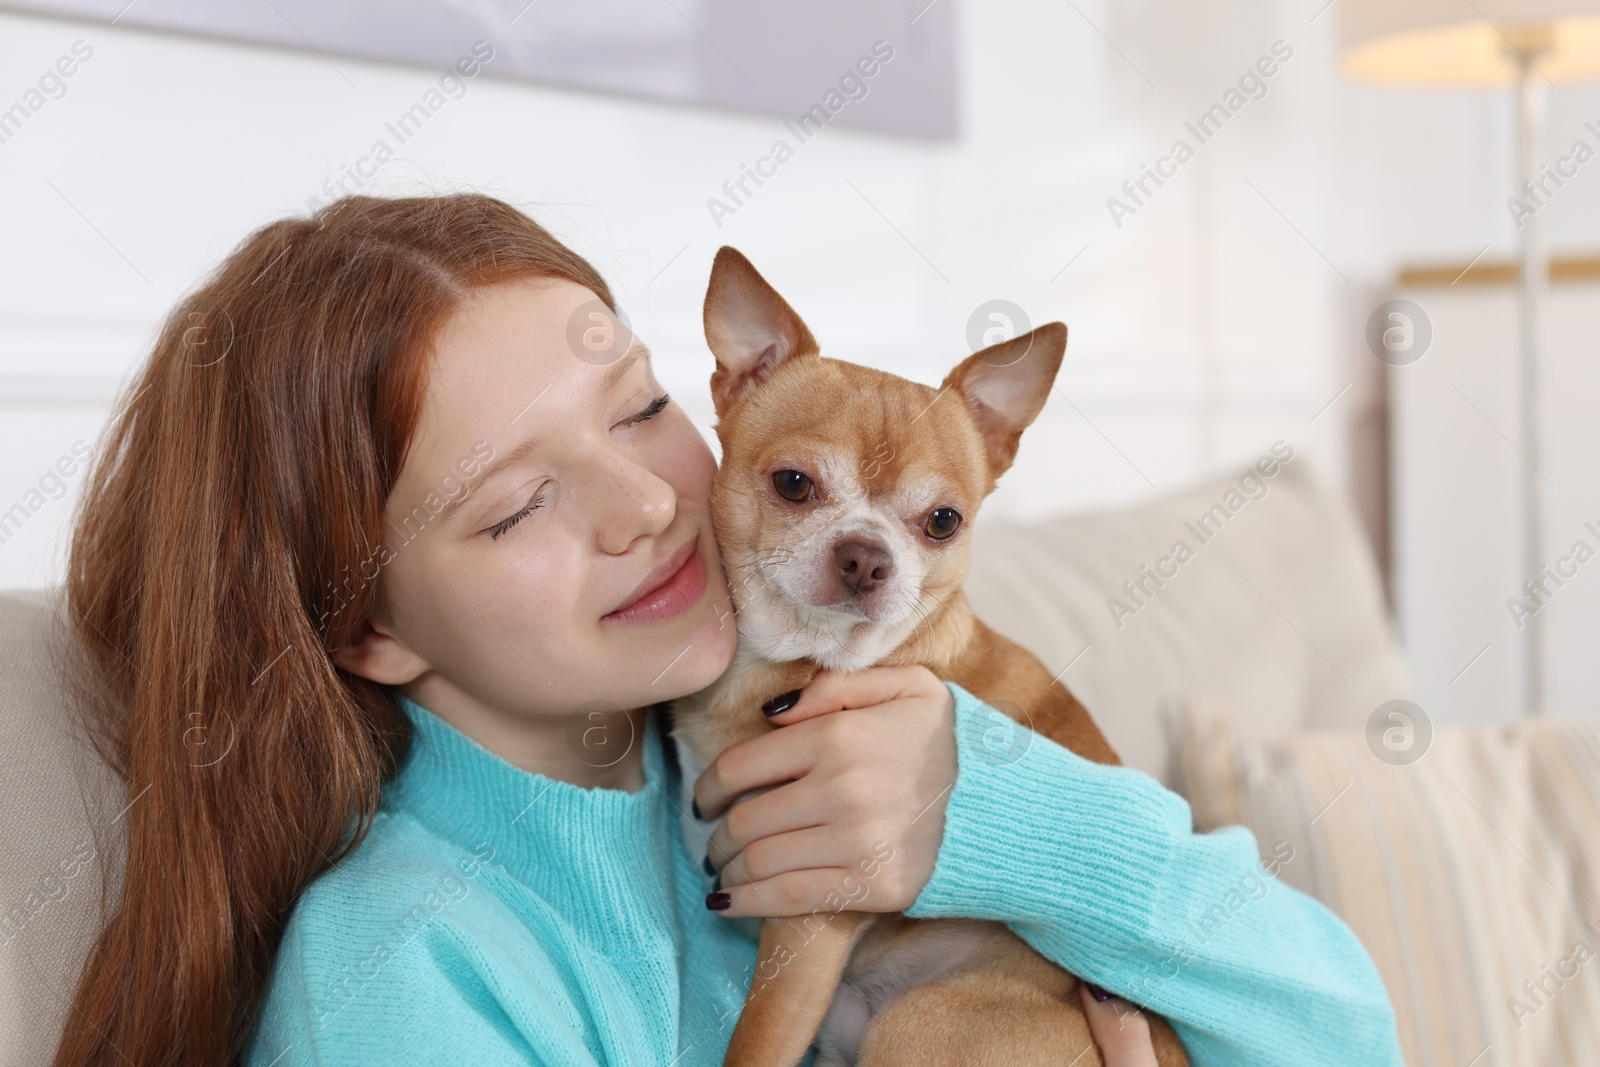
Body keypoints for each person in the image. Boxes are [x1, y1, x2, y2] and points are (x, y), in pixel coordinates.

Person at [51, 193, 1403, 1067]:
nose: (649, 501)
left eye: (642, 410)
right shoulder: (405, 971)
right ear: (366, 629)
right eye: (521, 502)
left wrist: (1005, 824)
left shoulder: (844, 746)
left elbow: (1353, 1031)